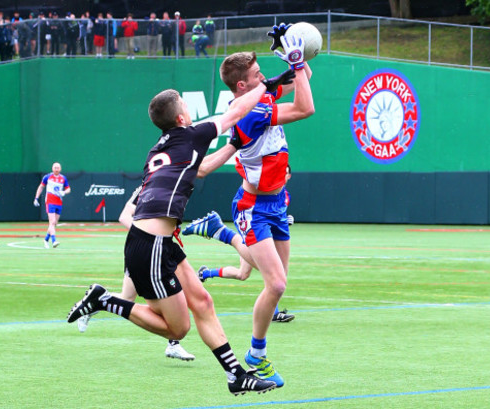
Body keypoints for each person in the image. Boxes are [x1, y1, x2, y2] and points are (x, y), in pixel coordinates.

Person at [66, 66, 296, 395]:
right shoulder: (190, 136)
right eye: (186, 108)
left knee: (202, 301)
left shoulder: (159, 150)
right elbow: (235, 113)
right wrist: (266, 88)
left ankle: (236, 376)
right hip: (152, 246)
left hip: (161, 242)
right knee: (179, 327)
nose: (190, 113)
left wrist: (233, 145)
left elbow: (201, 166)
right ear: (180, 119)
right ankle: (105, 301)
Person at [181, 26, 314, 388]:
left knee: (254, 274)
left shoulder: (260, 96)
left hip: (275, 201)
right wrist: (296, 63)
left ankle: (218, 231)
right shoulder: (253, 114)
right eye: (257, 76)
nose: (264, 78)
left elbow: (303, 79)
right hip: (253, 206)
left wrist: (289, 55)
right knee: (276, 283)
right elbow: (306, 106)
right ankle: (256, 354)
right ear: (243, 86)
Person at [77, 185, 196, 361]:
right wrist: (147, 237)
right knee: (130, 300)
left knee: (174, 295)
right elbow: (124, 216)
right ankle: (95, 304)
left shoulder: (174, 182)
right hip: (147, 249)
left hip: (163, 248)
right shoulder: (148, 187)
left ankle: (173, 344)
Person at [191, 167, 296, 323]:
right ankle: (224, 233)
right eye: (282, 170)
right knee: (273, 272)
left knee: (243, 274)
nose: (282, 173)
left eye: (285, 171)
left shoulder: (285, 196)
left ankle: (205, 273)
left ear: (289, 176)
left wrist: (286, 219)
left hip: (266, 235)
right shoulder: (259, 188)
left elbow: (275, 216)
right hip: (254, 230)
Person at [33, 162, 70, 249]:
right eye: (55, 167)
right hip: (50, 201)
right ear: (52, 168)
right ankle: (54, 241)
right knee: (52, 222)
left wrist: (64, 192)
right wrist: (36, 198)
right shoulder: (47, 177)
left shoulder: (63, 178)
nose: (56, 169)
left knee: (54, 223)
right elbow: (41, 187)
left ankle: (46, 239)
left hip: (59, 202)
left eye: (58, 168)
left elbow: (68, 188)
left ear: (60, 169)